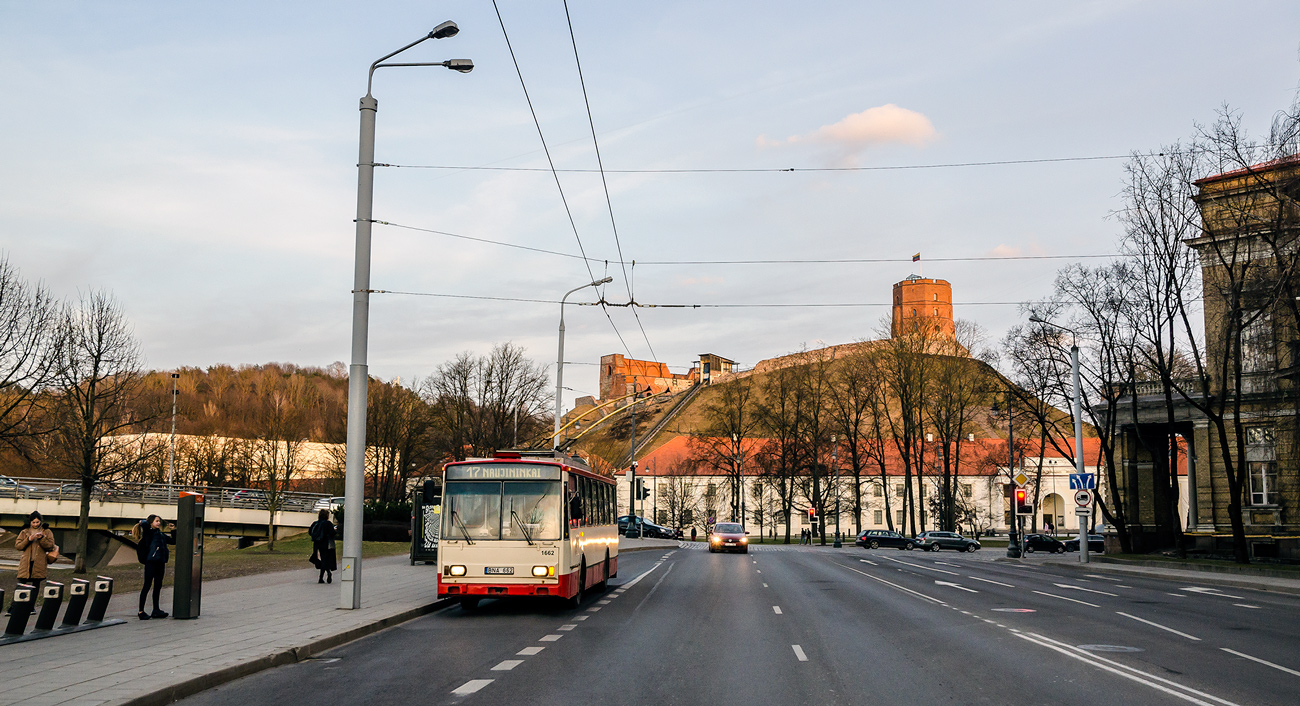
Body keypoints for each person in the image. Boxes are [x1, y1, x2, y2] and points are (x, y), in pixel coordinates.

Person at [131, 514, 175, 620]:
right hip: (151, 562)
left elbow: (174, 542)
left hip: (160, 562)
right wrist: (144, 522)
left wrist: (173, 530)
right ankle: (141, 611)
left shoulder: (161, 535)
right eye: (156, 521)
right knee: (147, 585)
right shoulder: (148, 534)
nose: (159, 523)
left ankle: (156, 610)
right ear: (151, 523)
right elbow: (145, 525)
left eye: (159, 521)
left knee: (158, 586)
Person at [12, 511, 56, 612]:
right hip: (26, 562)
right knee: (21, 584)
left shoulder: (46, 531)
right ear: (30, 522)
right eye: (33, 522)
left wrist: (42, 539)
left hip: (39, 562)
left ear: (40, 521)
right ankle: (14, 606)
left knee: (35, 585)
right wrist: (29, 539)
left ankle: (31, 607)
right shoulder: (24, 531)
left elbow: (50, 546)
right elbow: (18, 546)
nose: (35, 524)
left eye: (37, 522)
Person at [308, 509, 337, 584]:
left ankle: (322, 577)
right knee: (325, 559)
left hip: (316, 544)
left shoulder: (315, 523)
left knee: (320, 560)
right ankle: (327, 574)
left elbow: (310, 532)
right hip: (326, 544)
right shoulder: (328, 524)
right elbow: (332, 533)